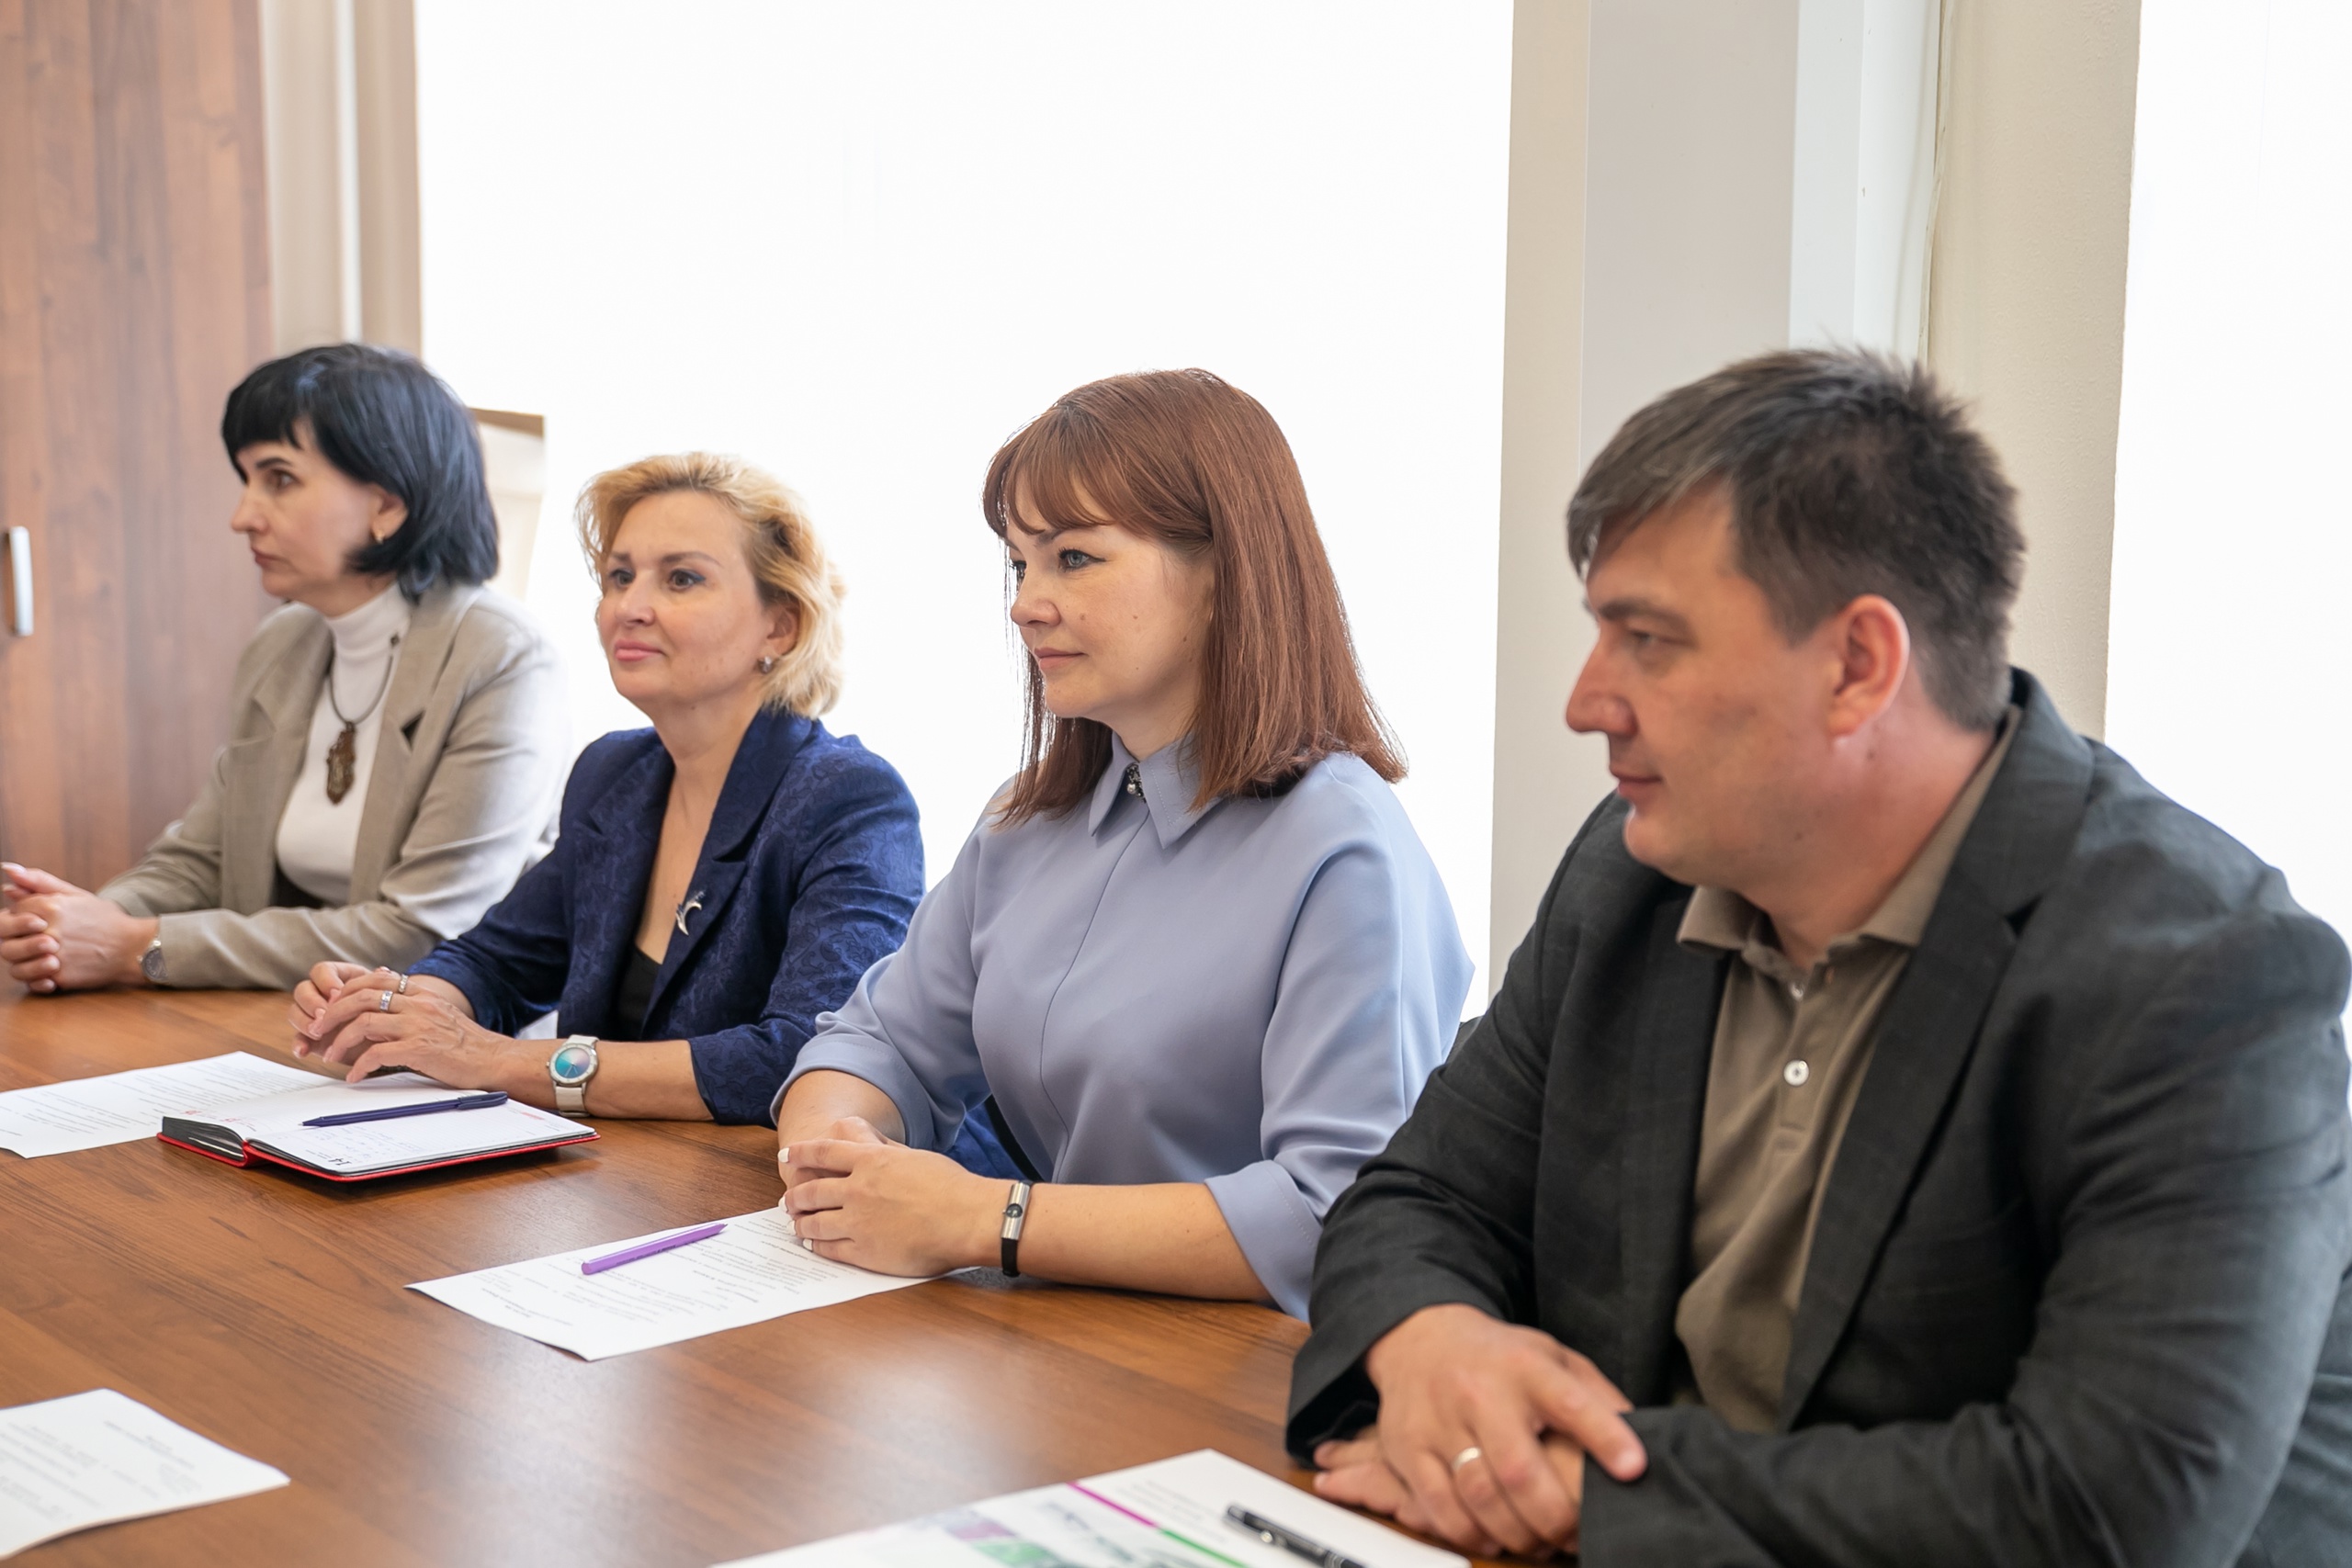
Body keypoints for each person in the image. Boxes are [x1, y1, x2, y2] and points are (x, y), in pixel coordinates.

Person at [1288, 349, 2352, 1564]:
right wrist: (1431, 1340)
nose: (1586, 702)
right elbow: (1420, 1195)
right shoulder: (1629, 876)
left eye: (1647, 639)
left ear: (1857, 666)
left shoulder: (2203, 973)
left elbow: (2105, 1503)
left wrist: (1594, 1491)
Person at [772, 369, 1472, 1318]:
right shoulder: (1026, 820)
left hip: (1242, 1368)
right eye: (1019, 564)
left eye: (1074, 558)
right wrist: (837, 1151)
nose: (1025, 603)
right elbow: (876, 1040)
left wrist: (988, 1219)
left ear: (1224, 574)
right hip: (1064, 1339)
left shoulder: (1343, 848)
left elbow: (1332, 1213)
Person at [288, 455, 1000, 1156]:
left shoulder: (850, 798)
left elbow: (806, 1053)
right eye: (619, 576)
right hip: (622, 1176)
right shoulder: (615, 772)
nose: (629, 606)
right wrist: (398, 1006)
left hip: (772, 1195)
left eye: (682, 578)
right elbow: (498, 962)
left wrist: (497, 1060)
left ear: (780, 626)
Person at [0, 344, 566, 994]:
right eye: (247, 480)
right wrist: (79, 922)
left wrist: (137, 946)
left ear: (387, 505)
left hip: (435, 1031)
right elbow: (203, 858)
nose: (242, 516)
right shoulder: (282, 644)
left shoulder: (503, 659)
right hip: (287, 1012)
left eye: (280, 479)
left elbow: (423, 932)